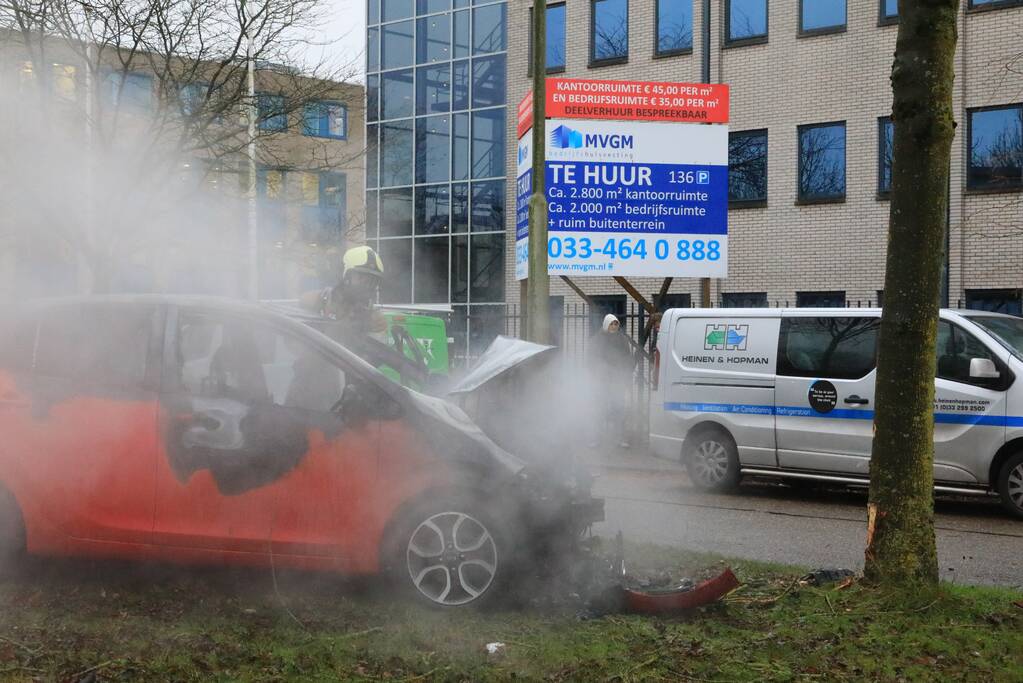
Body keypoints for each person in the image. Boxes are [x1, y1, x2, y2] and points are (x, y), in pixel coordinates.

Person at [588, 313, 634, 449]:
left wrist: (625, 372)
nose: (613, 326)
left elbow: (628, 358)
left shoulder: (622, 339)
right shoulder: (597, 339)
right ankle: (595, 438)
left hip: (617, 381)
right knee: (599, 410)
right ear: (606, 324)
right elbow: (591, 359)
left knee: (619, 410)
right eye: (611, 324)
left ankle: (620, 438)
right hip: (601, 381)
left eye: (616, 324)